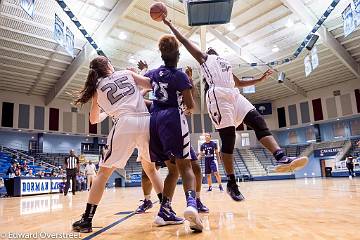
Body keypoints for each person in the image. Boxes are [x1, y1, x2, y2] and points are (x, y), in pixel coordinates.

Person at [163, 19, 308, 201]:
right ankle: (231, 183)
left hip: (234, 94)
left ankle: (280, 156)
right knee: (229, 138)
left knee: (258, 121)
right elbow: (185, 41)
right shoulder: (205, 59)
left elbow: (238, 82)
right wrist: (170, 25)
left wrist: (260, 80)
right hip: (218, 96)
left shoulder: (225, 63)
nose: (211, 50)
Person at [72, 56, 164, 233]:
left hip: (124, 123)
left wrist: (108, 111)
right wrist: (141, 74)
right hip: (146, 121)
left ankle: (86, 219)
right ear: (107, 65)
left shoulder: (96, 88)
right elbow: (150, 84)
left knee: (103, 174)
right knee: (151, 169)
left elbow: (93, 119)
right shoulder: (126, 73)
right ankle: (166, 210)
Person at [144, 34, 202, 231]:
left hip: (154, 120)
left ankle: (164, 211)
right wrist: (189, 83)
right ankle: (192, 205)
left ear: (161, 54)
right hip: (172, 119)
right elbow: (191, 105)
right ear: (178, 54)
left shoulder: (152, 73)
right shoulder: (180, 75)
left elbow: (141, 88)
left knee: (172, 169)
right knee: (186, 166)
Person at [136, 147, 209, 214]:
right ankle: (147, 201)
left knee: (195, 167)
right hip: (157, 140)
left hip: (176, 137)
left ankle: (197, 200)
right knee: (146, 175)